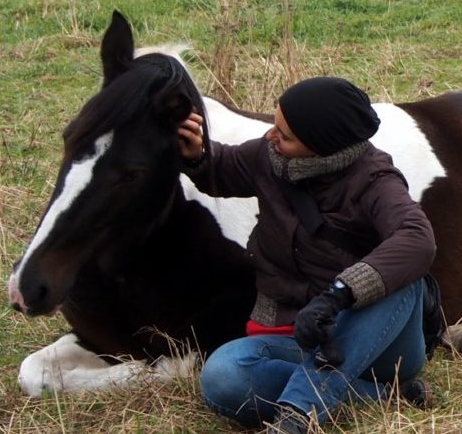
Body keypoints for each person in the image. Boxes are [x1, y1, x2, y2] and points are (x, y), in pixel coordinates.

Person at [178, 77, 438, 433]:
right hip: (293, 338)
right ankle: (384, 396)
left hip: (378, 344)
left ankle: (297, 414)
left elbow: (418, 239)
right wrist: (196, 153)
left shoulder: (376, 181)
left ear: (321, 147)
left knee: (403, 279)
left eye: (285, 135)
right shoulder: (268, 156)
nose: (272, 136)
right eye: (275, 125)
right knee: (223, 376)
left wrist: (340, 295)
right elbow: (223, 167)